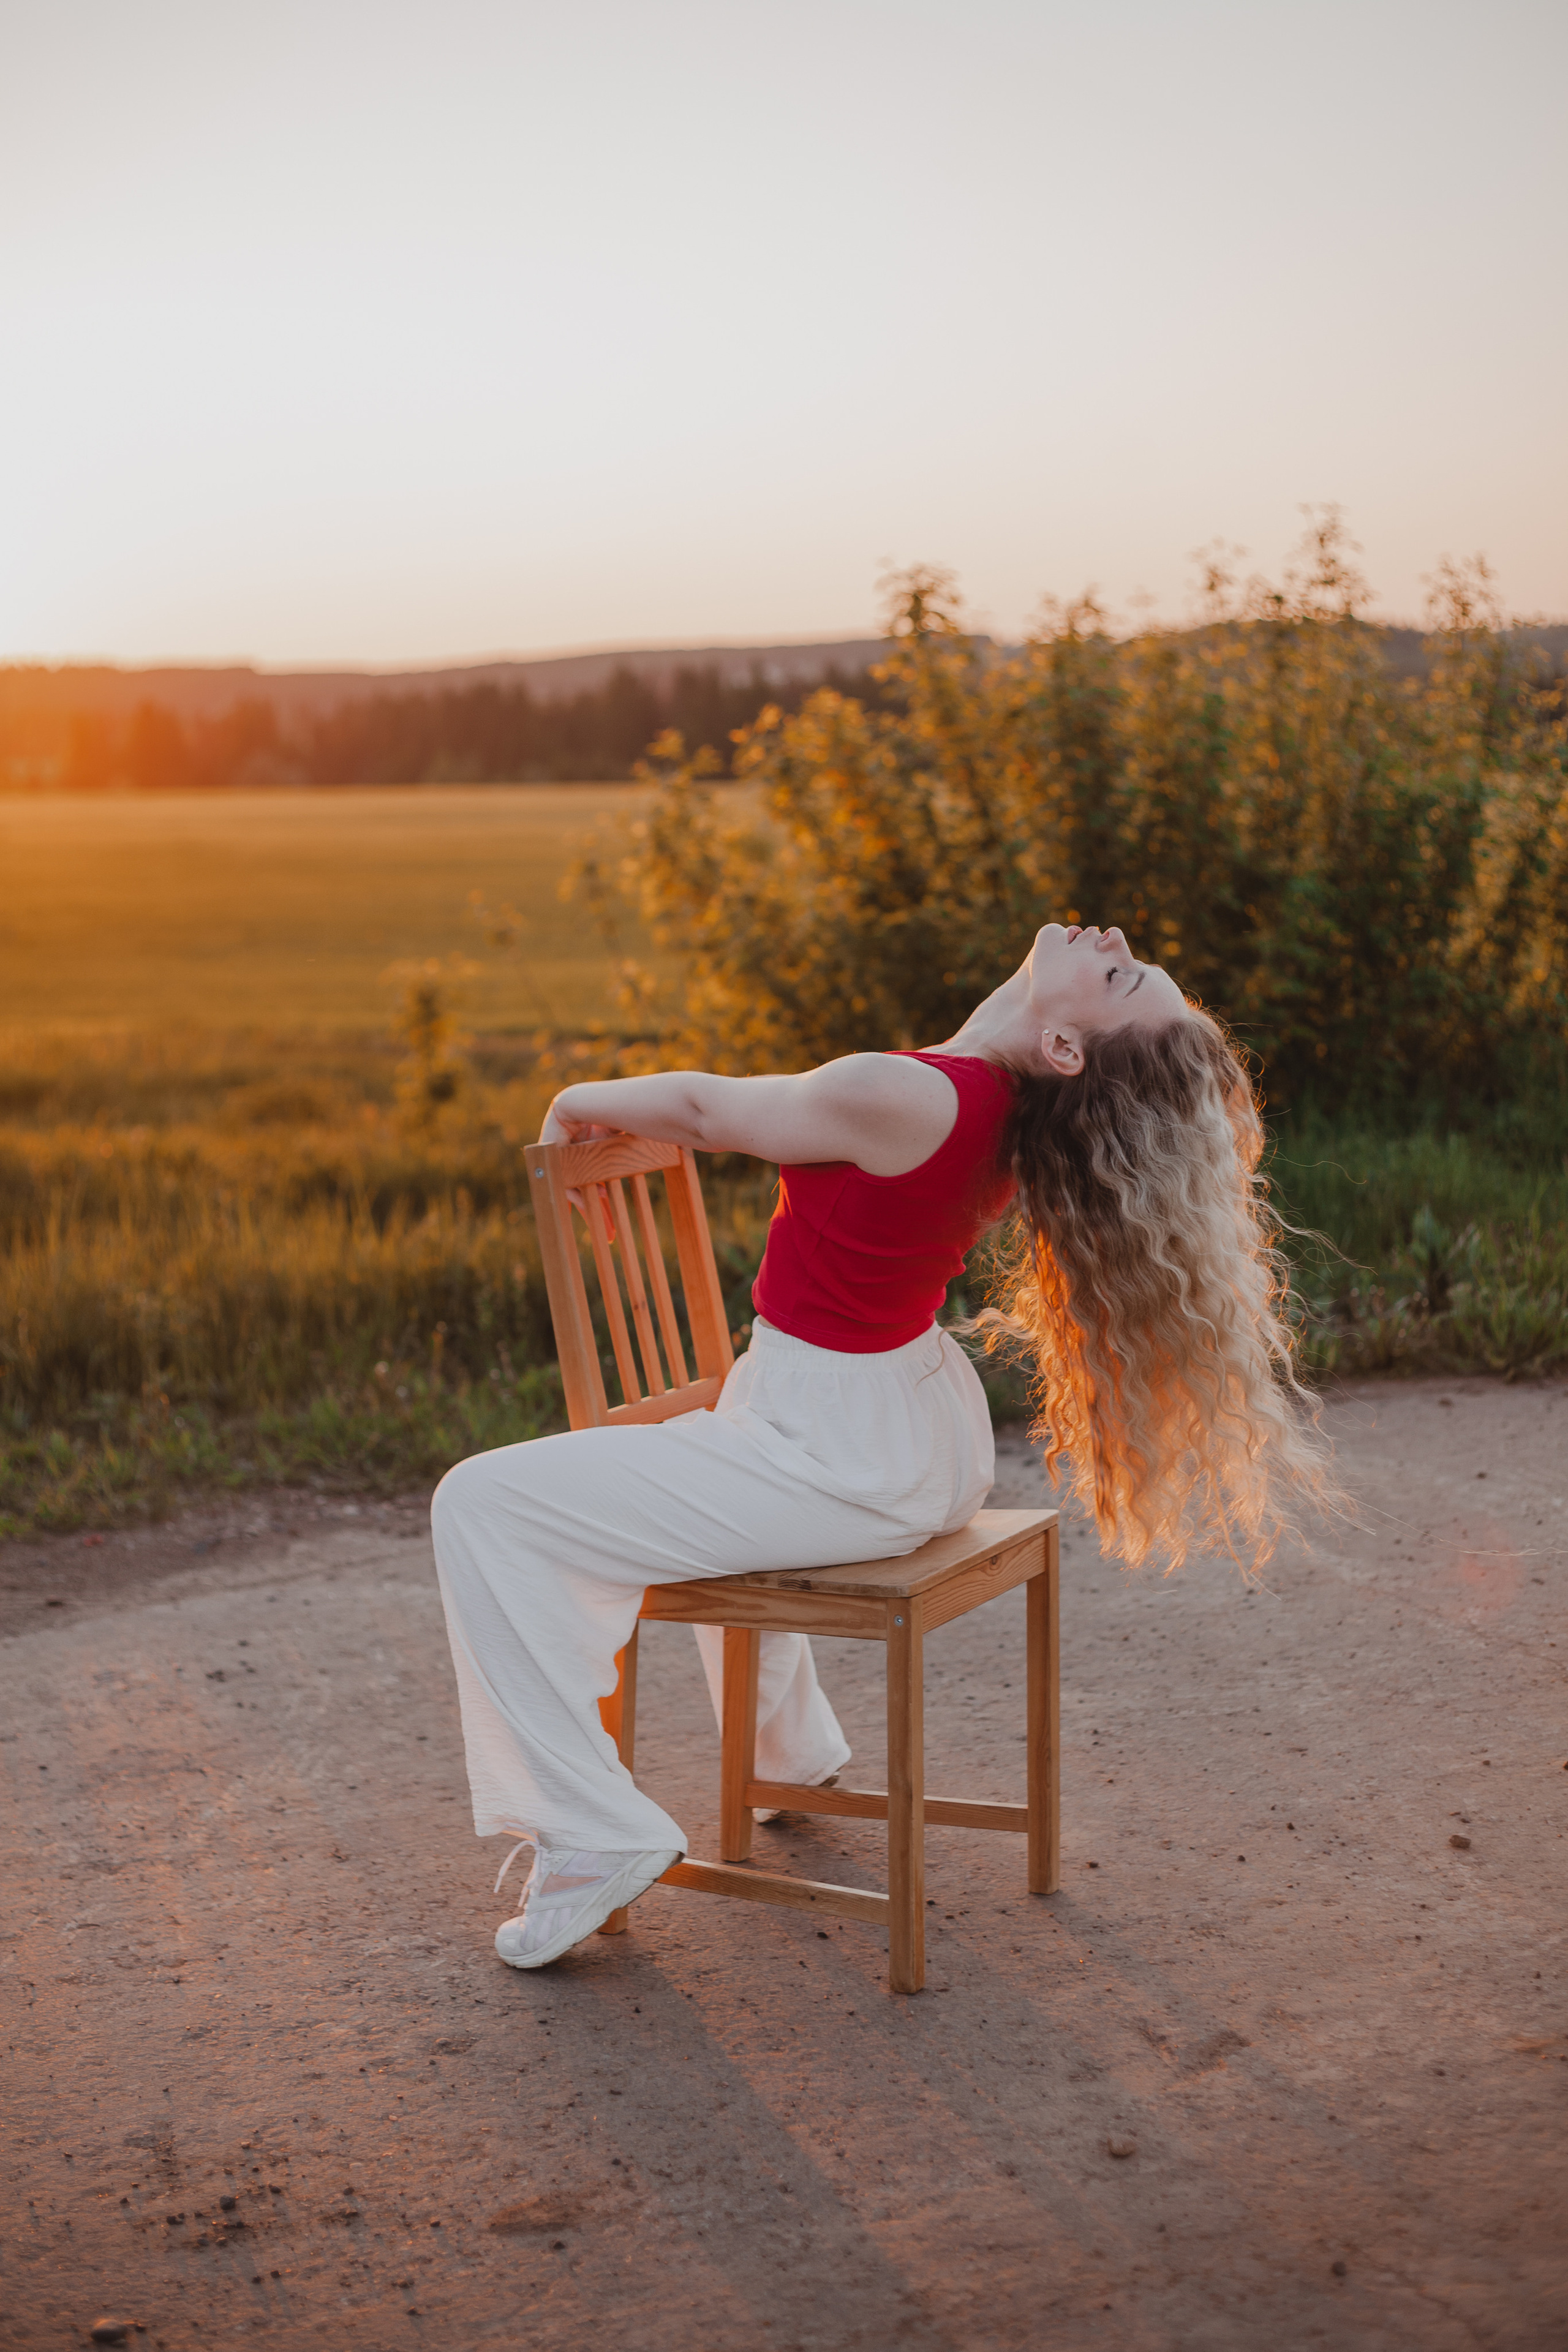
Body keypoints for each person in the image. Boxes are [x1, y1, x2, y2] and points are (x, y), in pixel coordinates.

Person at [431, 921, 1328, 1969]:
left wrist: (578, 1100)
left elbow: (704, 1110)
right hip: (898, 1430)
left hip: (835, 1448)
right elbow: (974, 1046)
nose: (1116, 938)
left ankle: (592, 1832)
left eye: (1121, 974)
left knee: (479, 1502)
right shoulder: (990, 1096)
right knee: (700, 1486)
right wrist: (1048, 1000)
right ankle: (789, 1753)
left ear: (1070, 1052)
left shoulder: (915, 1097)